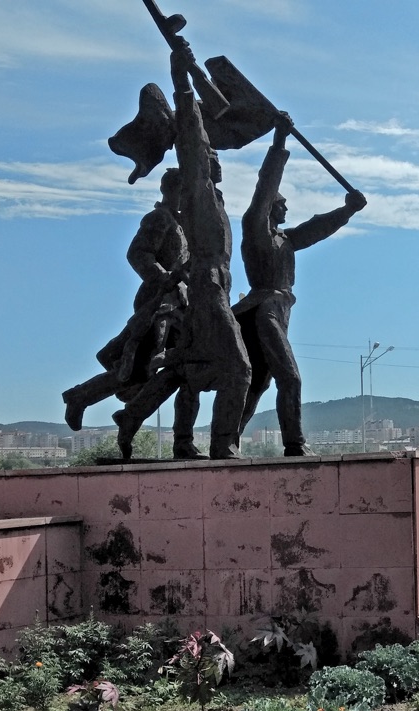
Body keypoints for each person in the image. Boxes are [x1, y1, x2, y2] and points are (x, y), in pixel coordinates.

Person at [112, 40, 252, 460]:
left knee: (190, 371)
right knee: (239, 369)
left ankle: (165, 434)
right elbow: (191, 134)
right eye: (210, 155)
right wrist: (182, 81)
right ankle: (223, 444)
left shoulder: (215, 203)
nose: (217, 159)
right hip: (206, 286)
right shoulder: (198, 191)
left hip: (208, 289)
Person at [234, 112, 367, 456]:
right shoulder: (256, 230)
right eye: (282, 204)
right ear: (270, 208)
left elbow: (316, 228)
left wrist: (347, 211)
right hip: (263, 309)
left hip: (276, 311)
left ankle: (227, 440)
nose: (287, 208)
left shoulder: (285, 239)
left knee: (257, 383)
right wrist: (279, 143)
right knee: (289, 378)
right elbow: (264, 187)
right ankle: (295, 444)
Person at [62, 168, 188, 435]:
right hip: (157, 300)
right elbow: (138, 253)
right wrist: (163, 276)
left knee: (183, 364)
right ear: (170, 190)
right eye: (182, 190)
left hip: (179, 305)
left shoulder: (182, 225)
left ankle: (137, 416)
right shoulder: (159, 218)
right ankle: (80, 396)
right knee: (140, 369)